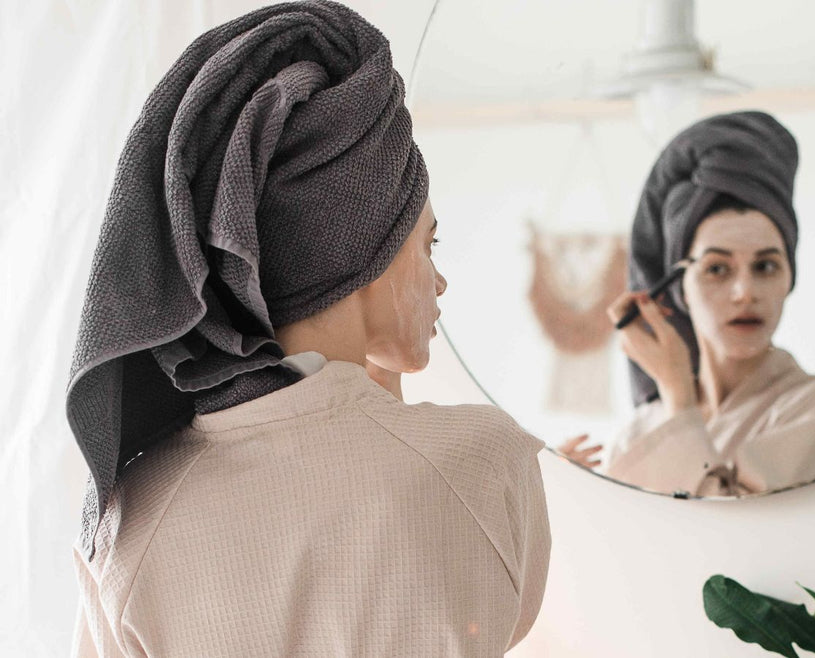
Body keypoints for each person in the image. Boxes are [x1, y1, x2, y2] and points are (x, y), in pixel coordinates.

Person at [66, 3, 549, 655]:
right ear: (370, 250)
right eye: (428, 243)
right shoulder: (484, 460)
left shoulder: (129, 520)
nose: (438, 282)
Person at [560, 111, 815, 495]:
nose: (745, 292)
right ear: (678, 289)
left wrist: (678, 395)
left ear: (790, 277)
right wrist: (560, 494)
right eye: (717, 269)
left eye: (766, 265)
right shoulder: (639, 431)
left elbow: (728, 532)